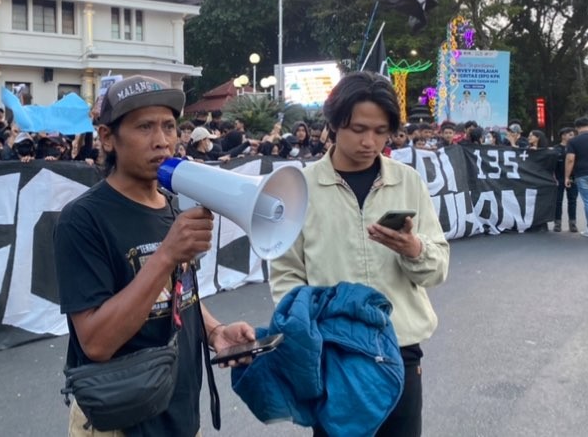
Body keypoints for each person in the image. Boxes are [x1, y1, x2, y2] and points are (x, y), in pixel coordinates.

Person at [54, 75, 254, 436]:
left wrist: (215, 332)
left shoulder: (173, 208)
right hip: (117, 421)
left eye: (169, 126)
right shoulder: (82, 219)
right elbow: (96, 343)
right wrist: (165, 255)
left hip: (178, 413)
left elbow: (178, 291)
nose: (161, 141)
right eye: (144, 127)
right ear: (107, 138)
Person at [271, 71, 449, 437]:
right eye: (358, 129)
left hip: (400, 347)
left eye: (381, 131)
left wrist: (413, 249)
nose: (370, 142)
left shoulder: (407, 181)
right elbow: (286, 275)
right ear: (334, 123)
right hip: (334, 354)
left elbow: (437, 268)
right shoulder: (299, 187)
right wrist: (307, 332)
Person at [553, 127, 577, 232]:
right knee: (558, 201)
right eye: (570, 134)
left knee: (572, 201)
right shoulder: (555, 148)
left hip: (572, 178)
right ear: (563, 135)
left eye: (573, 135)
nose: (572, 137)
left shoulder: (576, 148)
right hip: (559, 178)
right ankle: (557, 223)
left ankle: (572, 223)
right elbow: (551, 165)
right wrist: (553, 177)